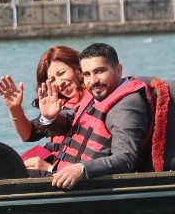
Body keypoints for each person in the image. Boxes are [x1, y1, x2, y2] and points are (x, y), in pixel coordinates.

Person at [37, 42, 152, 190]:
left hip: (84, 183)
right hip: (61, 173)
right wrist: (49, 117)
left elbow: (125, 159)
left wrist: (82, 169)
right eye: (87, 74)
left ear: (118, 70)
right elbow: (68, 124)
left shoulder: (127, 105)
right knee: (7, 166)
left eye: (99, 71)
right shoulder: (97, 94)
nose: (93, 81)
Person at [0, 45, 85, 170]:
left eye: (62, 73)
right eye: (52, 79)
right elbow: (29, 134)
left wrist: (49, 168)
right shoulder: (60, 104)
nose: (60, 83)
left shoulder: (96, 99)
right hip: (55, 163)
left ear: (78, 68)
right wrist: (14, 107)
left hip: (69, 173)